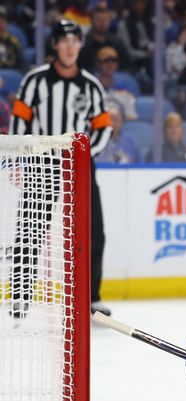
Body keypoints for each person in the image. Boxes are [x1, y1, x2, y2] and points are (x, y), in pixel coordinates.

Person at [10, 20, 113, 317]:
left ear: (80, 45)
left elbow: (103, 128)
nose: (69, 46)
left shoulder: (91, 85)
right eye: (64, 40)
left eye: (75, 40)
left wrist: (84, 154)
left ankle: (92, 297)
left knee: (93, 230)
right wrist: (21, 158)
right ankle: (20, 294)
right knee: (31, 227)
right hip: (42, 163)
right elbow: (20, 124)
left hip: (80, 167)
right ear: (55, 45)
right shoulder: (34, 81)